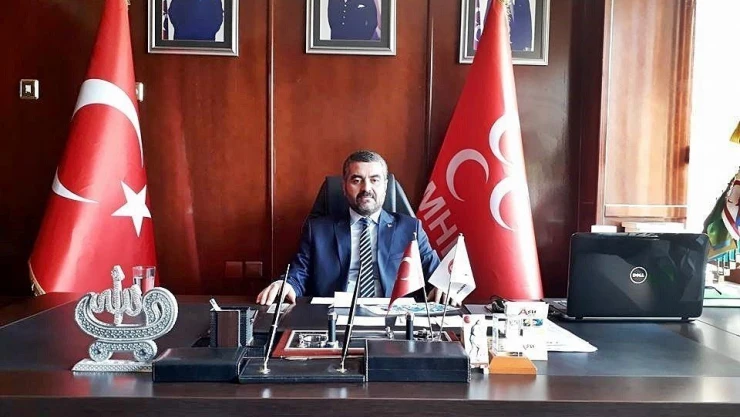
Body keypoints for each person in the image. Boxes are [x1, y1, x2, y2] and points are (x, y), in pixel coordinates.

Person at [256, 150, 442, 305]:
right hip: (335, 316)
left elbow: (436, 274)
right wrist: (286, 284)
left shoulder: (410, 228)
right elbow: (299, 272)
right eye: (356, 180)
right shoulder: (318, 230)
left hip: (392, 317)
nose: (366, 188)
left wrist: (442, 286)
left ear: (385, 187)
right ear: (344, 187)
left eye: (374, 180)